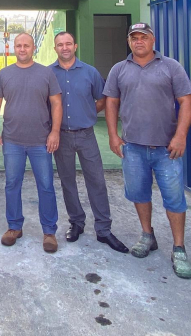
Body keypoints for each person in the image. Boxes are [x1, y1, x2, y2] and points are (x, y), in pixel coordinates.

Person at [104, 22, 191, 279]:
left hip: (167, 148)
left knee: (174, 199)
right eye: (134, 38)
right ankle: (148, 236)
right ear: (129, 41)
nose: (138, 41)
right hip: (132, 147)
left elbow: (186, 101)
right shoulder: (119, 69)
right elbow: (111, 102)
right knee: (139, 194)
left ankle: (179, 248)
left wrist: (180, 136)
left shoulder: (171, 67)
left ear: (152, 40)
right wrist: (113, 135)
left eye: (143, 37)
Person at [50, 32, 128, 253]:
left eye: (68, 44)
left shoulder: (90, 72)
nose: (64, 48)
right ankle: (76, 223)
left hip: (86, 135)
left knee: (96, 181)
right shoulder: (48, 73)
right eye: (59, 45)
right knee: (68, 182)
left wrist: (89, 113)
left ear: (75, 46)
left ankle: (103, 230)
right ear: (55, 48)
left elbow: (102, 98)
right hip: (61, 136)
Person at [0, 32, 62, 253]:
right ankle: (14, 227)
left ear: (33, 48)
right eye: (19, 46)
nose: (22, 49)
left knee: (46, 186)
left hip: (41, 141)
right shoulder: (4, 74)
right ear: (14, 48)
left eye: (26, 46)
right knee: (12, 184)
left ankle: (49, 231)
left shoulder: (46, 73)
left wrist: (55, 132)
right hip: (12, 141)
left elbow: (57, 104)